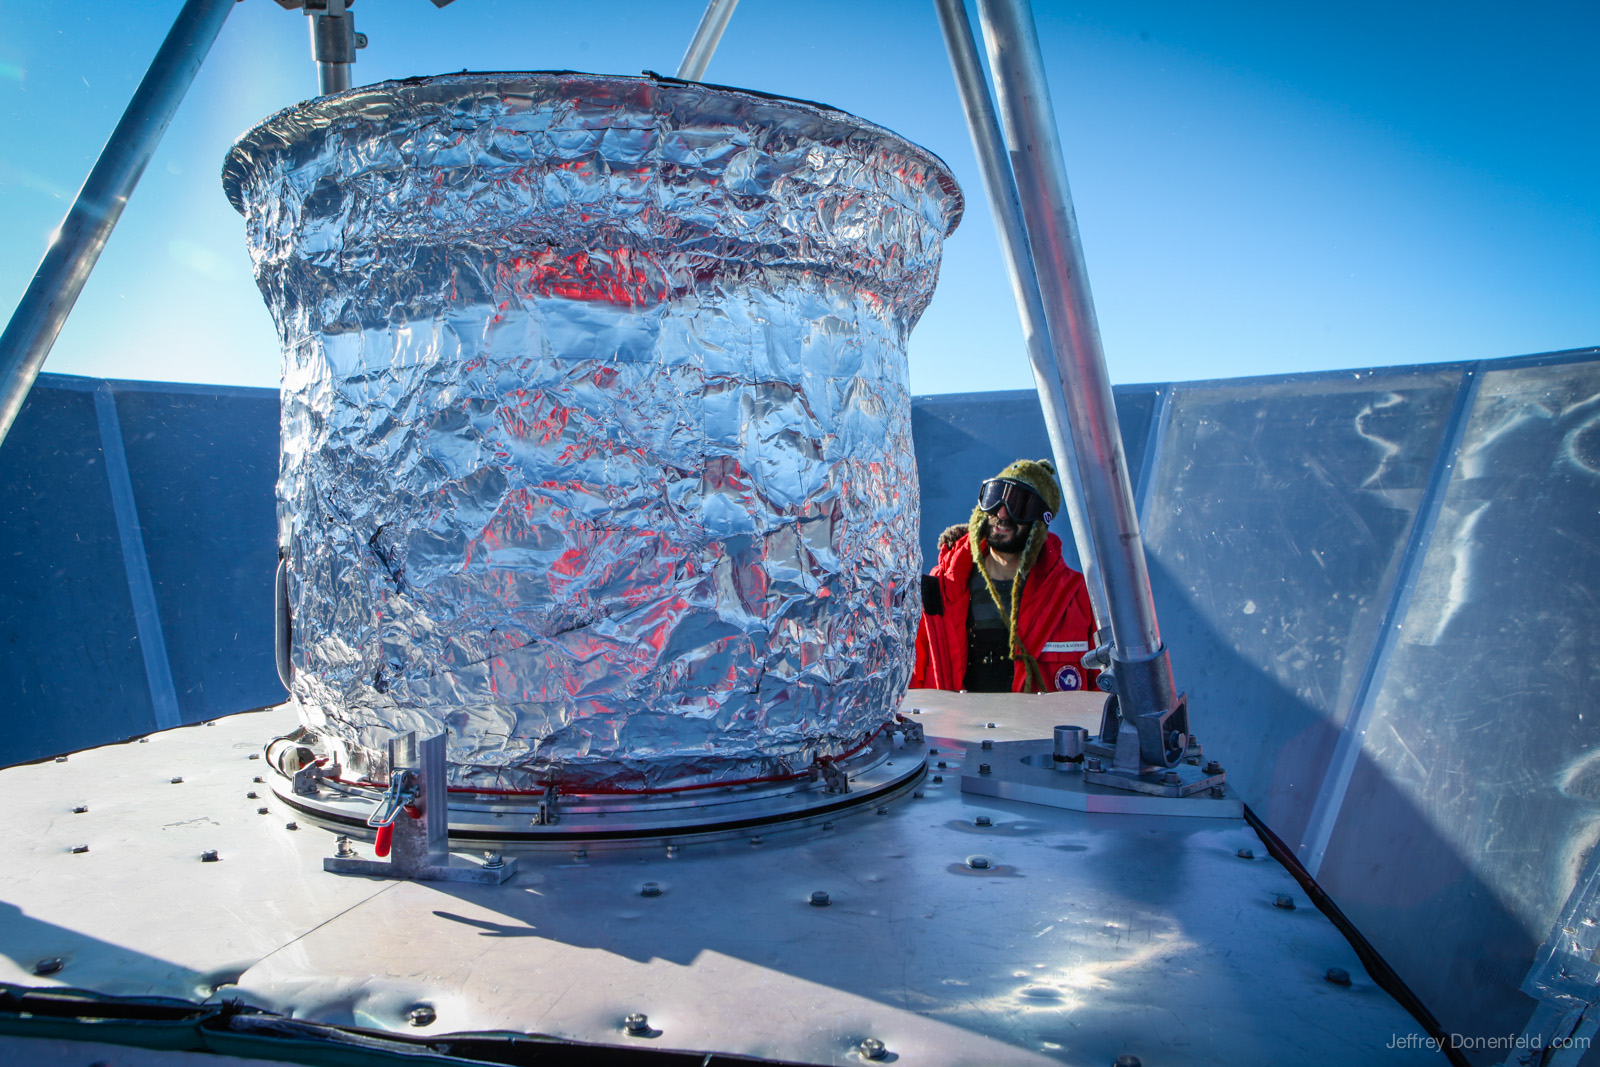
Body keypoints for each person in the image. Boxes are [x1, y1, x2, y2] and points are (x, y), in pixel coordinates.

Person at [911, 459, 1098, 694]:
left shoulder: (1077, 598)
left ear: (1040, 522)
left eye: (1019, 504)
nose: (1001, 513)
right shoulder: (941, 589)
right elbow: (910, 684)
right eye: (995, 496)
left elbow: (1103, 692)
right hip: (953, 730)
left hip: (1040, 731)